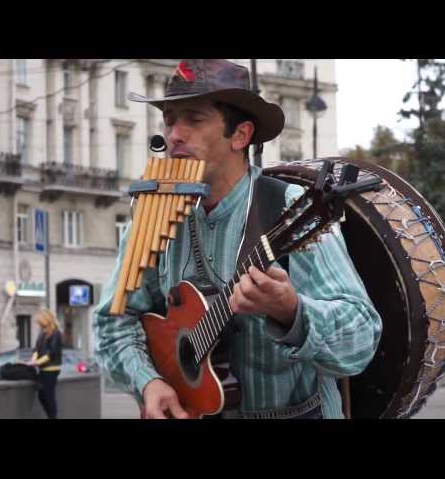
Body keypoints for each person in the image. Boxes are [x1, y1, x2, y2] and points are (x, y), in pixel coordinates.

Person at [93, 59, 382, 419]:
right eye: (169, 121)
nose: (174, 136)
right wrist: (149, 382)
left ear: (240, 136)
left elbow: (361, 338)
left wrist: (292, 311)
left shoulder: (290, 208)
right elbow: (111, 322)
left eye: (194, 119)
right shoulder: (157, 213)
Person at [29, 309, 63, 419]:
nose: (38, 324)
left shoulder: (56, 333)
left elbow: (52, 353)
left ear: (45, 320)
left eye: (39, 321)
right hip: (43, 369)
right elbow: (36, 349)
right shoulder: (42, 333)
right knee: (41, 396)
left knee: (49, 396)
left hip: (52, 369)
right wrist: (33, 360)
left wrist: (37, 362)